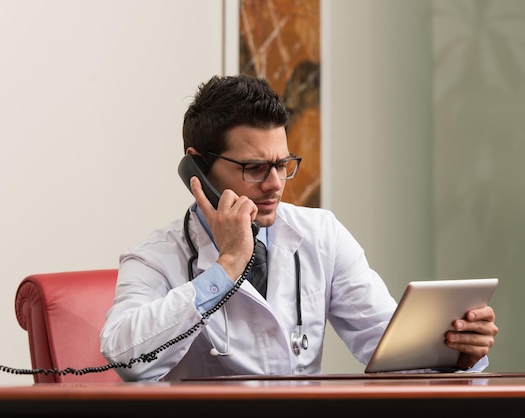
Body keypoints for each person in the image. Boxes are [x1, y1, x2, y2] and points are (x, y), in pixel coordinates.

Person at [100, 74, 498, 382]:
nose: (275, 184)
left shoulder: (321, 234)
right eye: (254, 168)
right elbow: (128, 359)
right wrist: (226, 268)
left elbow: (393, 352)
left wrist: (457, 353)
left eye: (282, 164)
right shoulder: (155, 257)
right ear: (198, 168)